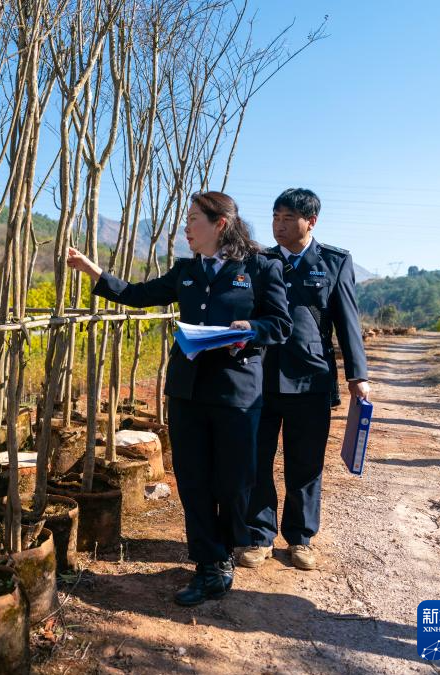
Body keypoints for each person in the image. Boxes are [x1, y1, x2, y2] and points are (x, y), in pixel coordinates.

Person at [67, 191, 291, 606]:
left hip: (236, 393)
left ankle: (226, 547)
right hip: (187, 391)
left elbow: (280, 324)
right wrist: (93, 271)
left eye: (193, 219)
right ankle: (210, 564)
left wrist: (250, 330)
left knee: (234, 481)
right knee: (193, 479)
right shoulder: (186, 271)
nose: (186, 228)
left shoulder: (260, 267)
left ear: (220, 223)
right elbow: (137, 294)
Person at [238, 188, 369, 571]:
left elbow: (348, 321)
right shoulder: (259, 261)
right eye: (275, 217)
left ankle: (300, 538)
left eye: (287, 218)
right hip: (260, 376)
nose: (278, 225)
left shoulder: (333, 262)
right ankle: (259, 535)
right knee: (256, 459)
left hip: (311, 378)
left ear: (310, 222)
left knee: (306, 463)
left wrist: (357, 375)